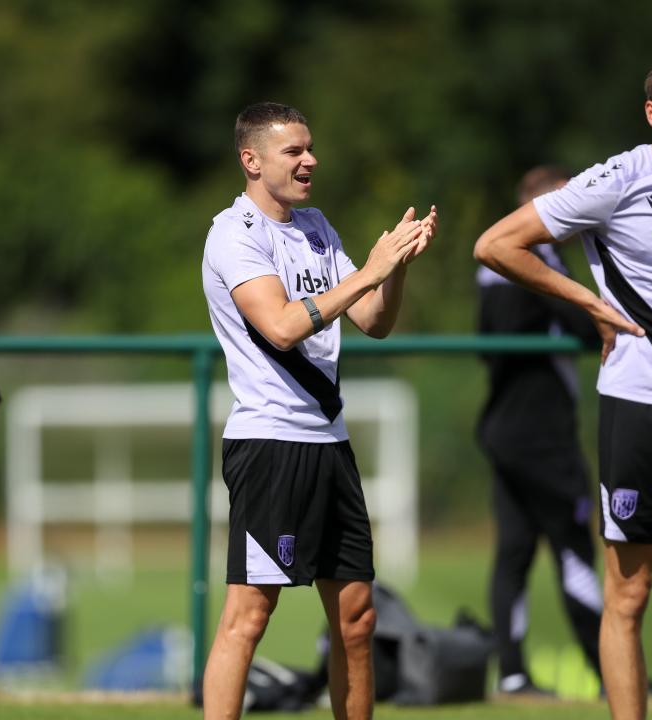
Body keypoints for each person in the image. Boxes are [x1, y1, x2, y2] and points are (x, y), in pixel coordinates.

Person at [475, 57, 652, 719]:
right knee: (629, 596)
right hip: (637, 414)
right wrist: (586, 302)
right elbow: (495, 245)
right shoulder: (615, 180)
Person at [201, 101, 437, 720]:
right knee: (249, 617)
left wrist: (395, 271)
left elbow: (373, 322)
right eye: (294, 151)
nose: (310, 161)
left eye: (310, 149)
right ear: (252, 160)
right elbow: (280, 327)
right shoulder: (234, 234)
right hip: (271, 446)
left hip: (330, 445)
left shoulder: (317, 227)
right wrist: (372, 271)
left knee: (357, 618)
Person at [476, 165, 604, 696]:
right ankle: (611, 674)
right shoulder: (536, 253)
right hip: (540, 435)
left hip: (504, 429)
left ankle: (512, 675)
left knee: (515, 550)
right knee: (576, 546)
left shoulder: (489, 264)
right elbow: (583, 324)